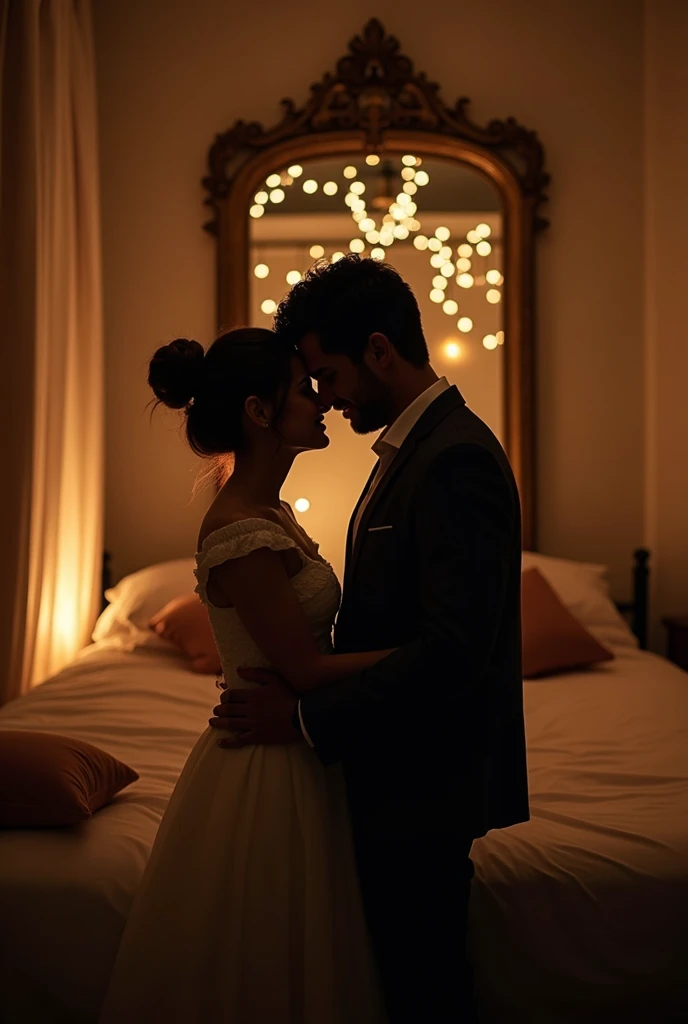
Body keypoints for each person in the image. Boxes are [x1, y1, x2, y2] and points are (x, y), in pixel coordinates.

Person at [211, 255, 529, 1023]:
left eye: (327, 374)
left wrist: (305, 718)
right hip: (390, 773)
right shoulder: (410, 454)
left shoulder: (454, 461)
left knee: (424, 988)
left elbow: (454, 652)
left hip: (424, 780)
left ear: (379, 352)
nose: (323, 396)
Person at [99, 327, 389, 1023]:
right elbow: (307, 668)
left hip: (301, 751)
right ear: (260, 412)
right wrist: (432, 651)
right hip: (266, 768)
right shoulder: (239, 532)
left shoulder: (273, 513)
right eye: (301, 389)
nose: (320, 399)